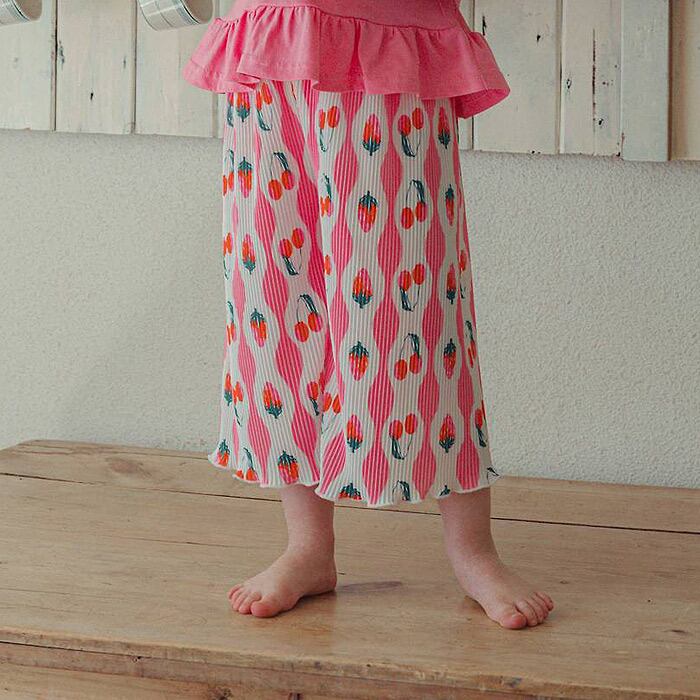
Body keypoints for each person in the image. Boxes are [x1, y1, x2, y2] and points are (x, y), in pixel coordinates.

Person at [182, 0, 554, 629]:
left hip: (388, 43)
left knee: (413, 311)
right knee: (276, 304)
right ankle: (308, 548)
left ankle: (474, 552)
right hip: (270, 41)